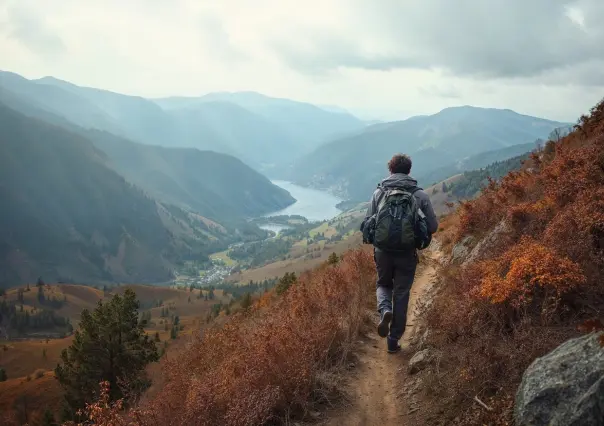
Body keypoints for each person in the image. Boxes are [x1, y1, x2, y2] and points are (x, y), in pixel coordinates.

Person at [362, 154, 438, 353]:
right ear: (409, 171)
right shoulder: (419, 195)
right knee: (402, 293)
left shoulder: (379, 193)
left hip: (382, 251)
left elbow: (369, 222)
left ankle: (385, 309)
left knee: (383, 284)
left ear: (390, 170)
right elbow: (433, 226)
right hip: (406, 253)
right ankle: (393, 339)